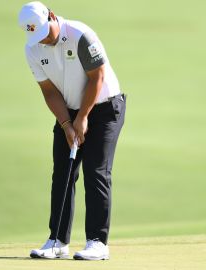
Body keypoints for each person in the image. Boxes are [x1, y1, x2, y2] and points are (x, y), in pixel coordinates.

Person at [18, 1, 126, 260]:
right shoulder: (32, 48)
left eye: (46, 32)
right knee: (63, 173)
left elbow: (97, 77)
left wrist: (84, 117)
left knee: (95, 171)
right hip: (69, 111)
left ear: (52, 16)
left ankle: (98, 243)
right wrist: (67, 123)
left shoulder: (80, 35)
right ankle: (57, 241)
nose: (43, 39)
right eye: (37, 36)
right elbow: (49, 91)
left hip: (104, 107)